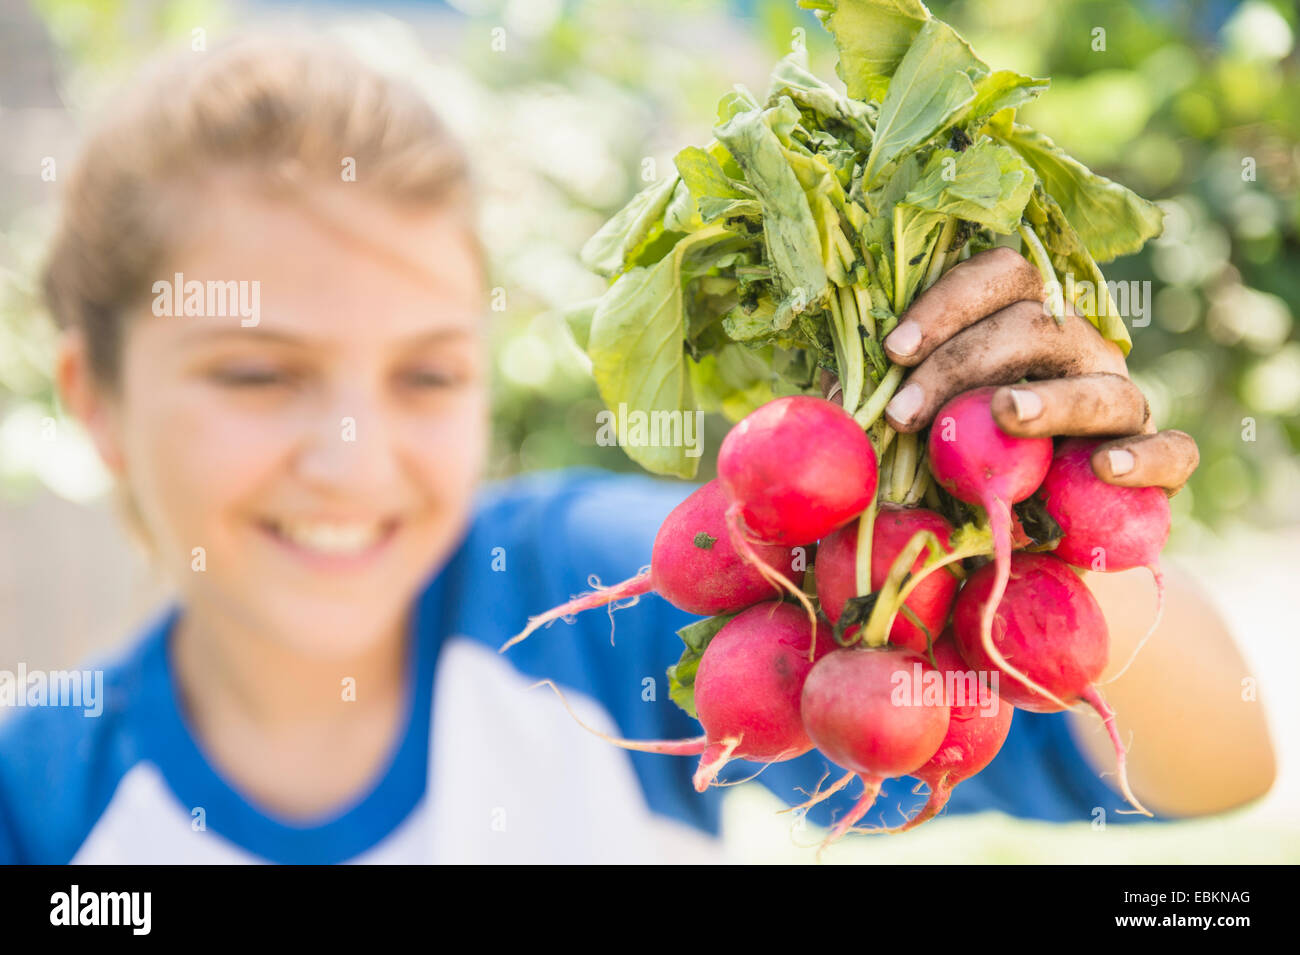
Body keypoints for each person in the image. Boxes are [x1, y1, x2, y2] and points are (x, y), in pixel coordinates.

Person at [0, 35, 1275, 863]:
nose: (352, 456)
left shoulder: (561, 591)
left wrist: (1047, 498)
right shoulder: (42, 799)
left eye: (428, 372)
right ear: (96, 398)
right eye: (258, 373)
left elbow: (1211, 760)